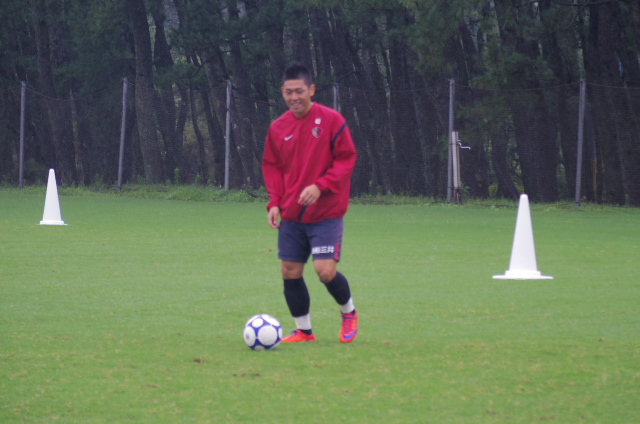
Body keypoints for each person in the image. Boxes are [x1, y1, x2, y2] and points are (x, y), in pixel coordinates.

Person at [262, 63, 358, 343]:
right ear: (282, 92)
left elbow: (347, 159)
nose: (294, 97)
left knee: (325, 271)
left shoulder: (331, 120)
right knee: (290, 271)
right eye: (288, 92)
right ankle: (304, 331)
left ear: (311, 90)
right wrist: (274, 203)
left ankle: (349, 312)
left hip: (326, 212)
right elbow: (272, 167)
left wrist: (320, 186)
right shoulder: (278, 128)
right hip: (292, 214)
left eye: (299, 91)